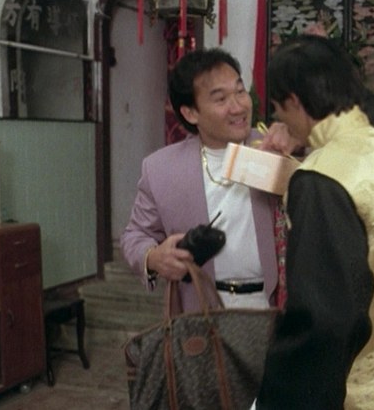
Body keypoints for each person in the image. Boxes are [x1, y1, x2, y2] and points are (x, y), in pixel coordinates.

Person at [256, 34, 374, 409]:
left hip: (362, 393)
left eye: (278, 111)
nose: (281, 122)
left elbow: (322, 321)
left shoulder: (320, 178)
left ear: (293, 102)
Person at [120, 48, 289, 312]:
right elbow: (135, 235)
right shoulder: (161, 169)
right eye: (220, 99)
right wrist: (153, 257)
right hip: (201, 307)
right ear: (191, 113)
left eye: (240, 91)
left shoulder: (272, 148)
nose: (238, 107)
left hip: (272, 306)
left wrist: (296, 140)